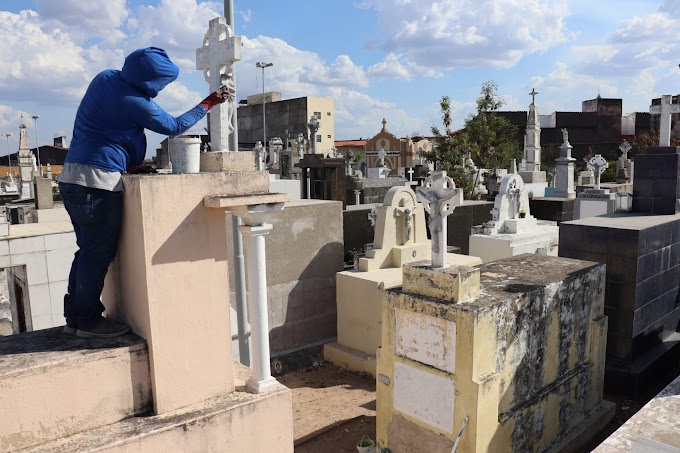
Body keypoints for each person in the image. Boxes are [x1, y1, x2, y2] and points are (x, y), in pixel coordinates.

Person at [59, 47, 226, 338]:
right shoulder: (134, 102)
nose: (161, 90)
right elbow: (173, 126)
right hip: (97, 182)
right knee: (97, 253)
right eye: (162, 83)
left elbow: (111, 127)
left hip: (73, 178)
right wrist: (209, 102)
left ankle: (74, 317)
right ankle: (88, 321)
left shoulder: (105, 78)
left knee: (86, 250)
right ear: (151, 80)